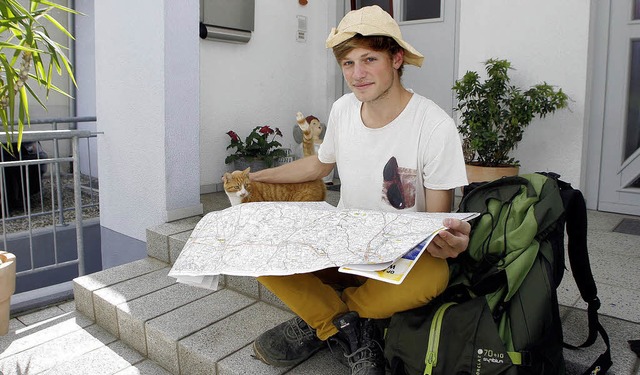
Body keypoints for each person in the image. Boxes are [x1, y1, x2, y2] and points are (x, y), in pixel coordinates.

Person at [249, 5, 470, 375]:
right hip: (343, 245)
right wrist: (259, 178)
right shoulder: (343, 110)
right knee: (253, 245)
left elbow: (437, 220)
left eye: (369, 59)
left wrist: (450, 242)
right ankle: (350, 323)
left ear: (396, 59)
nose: (357, 74)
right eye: (348, 63)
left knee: (434, 277)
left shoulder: (435, 126)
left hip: (396, 260)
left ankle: (323, 318)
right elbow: (320, 163)